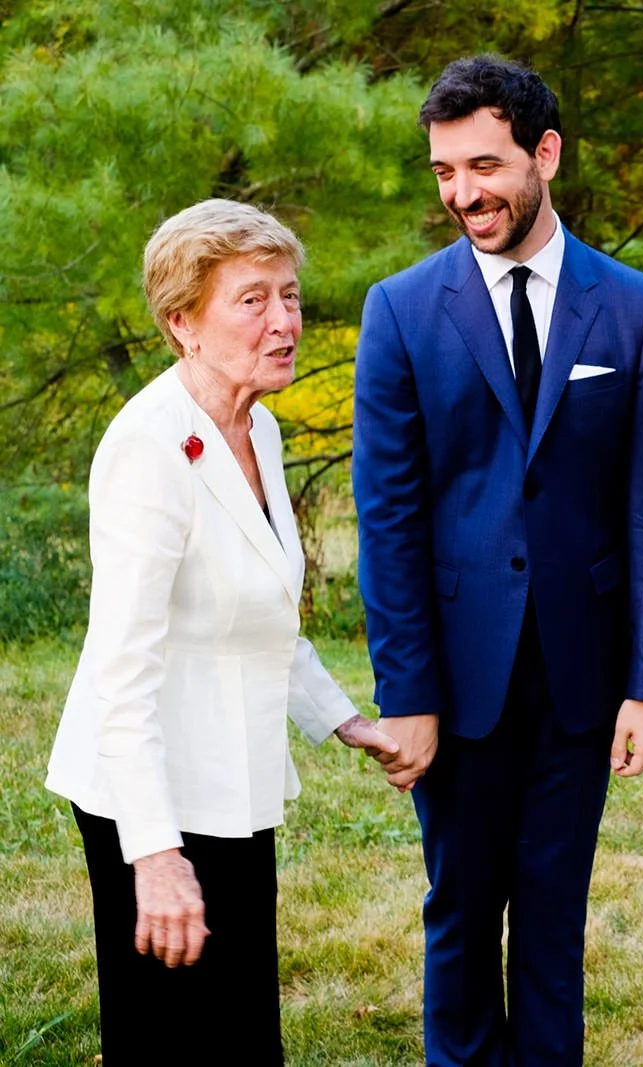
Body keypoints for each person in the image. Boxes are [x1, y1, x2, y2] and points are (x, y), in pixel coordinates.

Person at [352, 55, 643, 1066]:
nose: (463, 194)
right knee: (458, 911)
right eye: (445, 172)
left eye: (484, 165)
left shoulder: (633, 307)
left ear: (546, 153)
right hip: (454, 682)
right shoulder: (401, 310)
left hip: (582, 677)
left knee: (552, 916)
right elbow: (390, 516)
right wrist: (406, 690)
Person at [45, 199, 397, 1065]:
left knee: (241, 1030)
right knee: (173, 1038)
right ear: (181, 324)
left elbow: (262, 611)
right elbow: (122, 670)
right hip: (153, 791)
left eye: (291, 296)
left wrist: (346, 721)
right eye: (252, 300)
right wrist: (156, 859)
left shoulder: (257, 426)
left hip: (234, 780)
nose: (284, 322)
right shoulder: (149, 448)